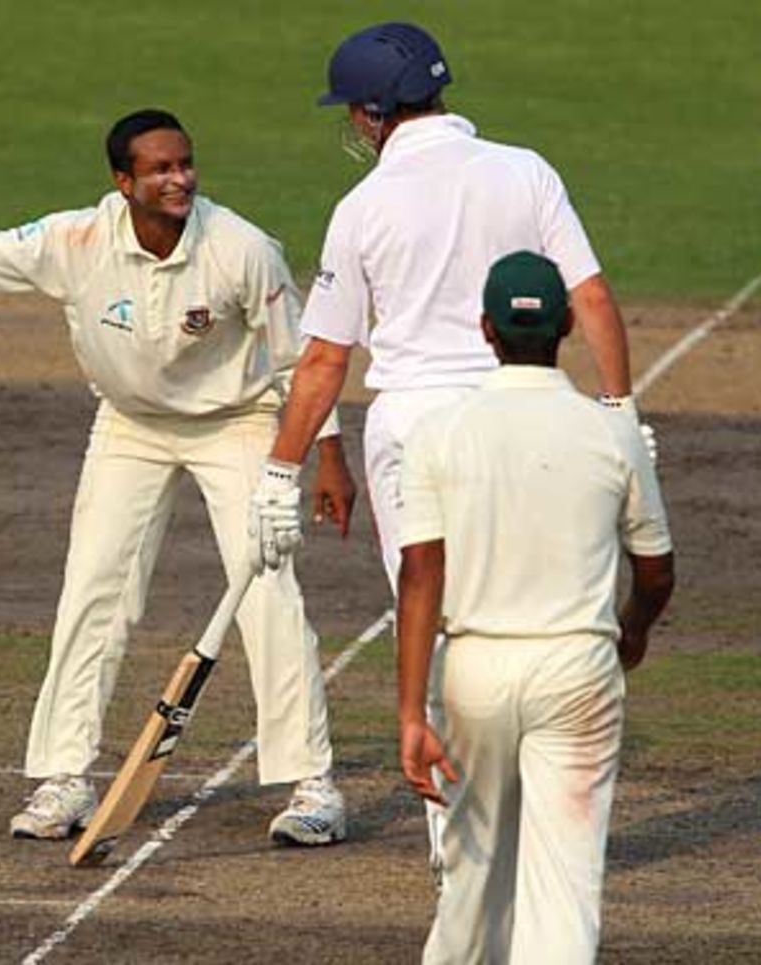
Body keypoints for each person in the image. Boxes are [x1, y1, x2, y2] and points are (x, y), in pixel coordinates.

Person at [0, 109, 357, 847]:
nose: (180, 179)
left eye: (186, 164)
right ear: (123, 182)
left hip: (234, 421)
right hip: (130, 425)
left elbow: (298, 359)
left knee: (267, 587)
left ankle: (312, 784)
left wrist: (327, 454)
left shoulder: (242, 248)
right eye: (160, 170)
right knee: (93, 590)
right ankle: (66, 776)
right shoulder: (76, 240)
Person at [246, 20, 656, 871]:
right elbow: (592, 298)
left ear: (371, 111)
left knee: (428, 615)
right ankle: (549, 809)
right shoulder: (525, 169)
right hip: (528, 412)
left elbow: (324, 360)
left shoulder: (362, 208)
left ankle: (457, 832)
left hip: (417, 428)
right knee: (535, 606)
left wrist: (278, 474)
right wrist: (618, 412)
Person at [394, 249, 675, 963]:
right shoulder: (612, 431)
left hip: (476, 670)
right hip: (578, 666)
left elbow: (420, 572)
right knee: (565, 882)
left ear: (486, 329)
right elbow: (656, 569)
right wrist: (633, 629)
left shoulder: (440, 431)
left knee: (472, 873)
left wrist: (408, 714)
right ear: (569, 328)